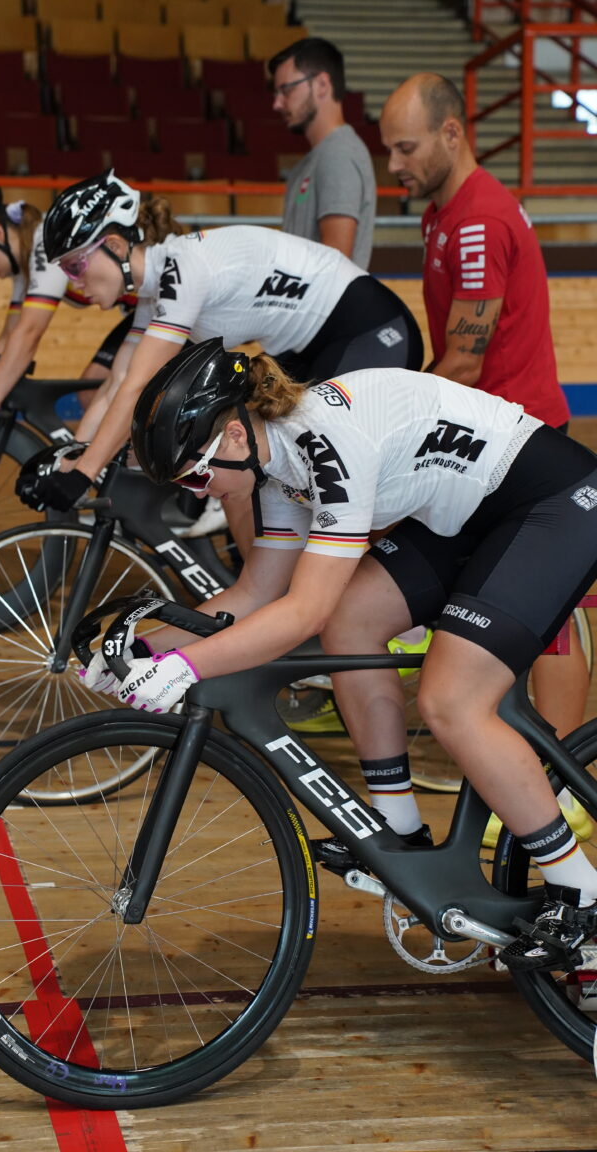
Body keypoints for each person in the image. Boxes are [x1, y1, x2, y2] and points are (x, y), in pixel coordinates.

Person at [87, 336, 597, 971]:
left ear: (235, 439)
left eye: (195, 475)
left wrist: (187, 667)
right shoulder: (275, 466)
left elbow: (303, 610)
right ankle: (399, 830)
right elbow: (255, 593)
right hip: (469, 518)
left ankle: (579, 889)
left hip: (549, 505)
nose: (199, 494)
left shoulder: (325, 443)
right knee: (354, 624)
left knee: (451, 701)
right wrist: (137, 646)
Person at [379, 72, 590, 778]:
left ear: (451, 133)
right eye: (388, 149)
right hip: (481, 442)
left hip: (521, 444)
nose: (395, 165)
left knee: (556, 621)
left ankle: (559, 779)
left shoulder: (476, 220)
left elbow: (464, 363)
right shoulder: (447, 211)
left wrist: (384, 423)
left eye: (405, 148)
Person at [16, 169, 423, 533]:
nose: (73, 282)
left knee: (336, 474)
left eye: (74, 266)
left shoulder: (181, 268)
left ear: (117, 246)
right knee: (246, 461)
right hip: (311, 344)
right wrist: (73, 457)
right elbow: (118, 380)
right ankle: (254, 592)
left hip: (366, 328)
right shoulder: (154, 287)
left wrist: (85, 472)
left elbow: (136, 384)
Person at [0, 179, 140, 422]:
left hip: (163, 305)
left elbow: (30, 332)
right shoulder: (26, 265)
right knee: (92, 392)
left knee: (102, 392)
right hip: (141, 311)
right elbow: (9, 337)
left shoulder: (44, 246)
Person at [268, 36, 376, 268]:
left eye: (286, 90)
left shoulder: (339, 154)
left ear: (322, 85)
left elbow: (335, 268)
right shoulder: (310, 162)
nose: (277, 103)